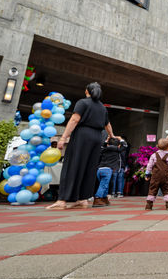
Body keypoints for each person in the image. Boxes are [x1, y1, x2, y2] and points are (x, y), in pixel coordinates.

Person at [47, 82, 116, 210]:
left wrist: (63, 137)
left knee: (72, 165)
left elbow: (74, 119)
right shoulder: (102, 107)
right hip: (97, 137)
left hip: (83, 135)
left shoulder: (82, 103)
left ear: (87, 91)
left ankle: (62, 200)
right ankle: (82, 199)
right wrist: (112, 136)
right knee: (89, 168)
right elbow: (107, 124)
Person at [145, 138, 168, 210]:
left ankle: (149, 205)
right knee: (166, 190)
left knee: (152, 189)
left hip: (155, 177)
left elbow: (149, 166)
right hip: (165, 177)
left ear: (158, 146)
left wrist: (147, 174)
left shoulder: (154, 155)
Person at [93, 137, 121, 207]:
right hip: (107, 170)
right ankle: (97, 199)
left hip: (99, 169)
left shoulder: (104, 150)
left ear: (108, 144)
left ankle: (104, 199)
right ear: (118, 145)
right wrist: (121, 139)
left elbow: (102, 146)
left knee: (105, 185)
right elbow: (125, 146)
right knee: (104, 185)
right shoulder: (117, 150)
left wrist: (106, 141)